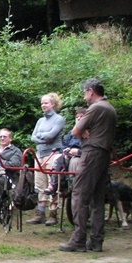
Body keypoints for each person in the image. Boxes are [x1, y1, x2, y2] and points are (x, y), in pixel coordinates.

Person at [59, 79, 116, 253]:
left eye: (85, 93)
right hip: (104, 155)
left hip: (91, 154)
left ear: (91, 91)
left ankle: (78, 239)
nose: (84, 98)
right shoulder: (110, 108)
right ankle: (97, 241)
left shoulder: (96, 108)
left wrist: (81, 131)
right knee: (97, 199)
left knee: (79, 195)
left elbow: (75, 131)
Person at [27, 92, 64, 225]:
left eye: (46, 103)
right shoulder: (40, 121)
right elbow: (33, 137)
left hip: (53, 155)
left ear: (53, 104)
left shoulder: (59, 119)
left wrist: (41, 136)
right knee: (40, 183)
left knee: (52, 184)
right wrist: (45, 137)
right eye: (42, 103)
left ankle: (53, 214)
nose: (43, 105)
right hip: (40, 155)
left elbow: (52, 136)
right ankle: (40, 213)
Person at [44, 108, 87, 195]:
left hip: (83, 157)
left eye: (81, 117)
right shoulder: (71, 133)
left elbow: (92, 150)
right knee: (57, 157)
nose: (78, 119)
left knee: (74, 161)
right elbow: (63, 145)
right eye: (77, 117)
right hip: (67, 156)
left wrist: (78, 152)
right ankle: (56, 185)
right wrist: (65, 150)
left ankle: (74, 187)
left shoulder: (90, 133)